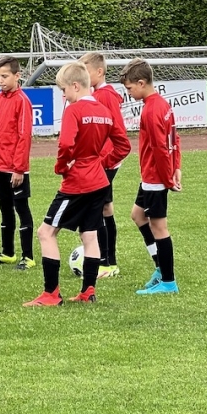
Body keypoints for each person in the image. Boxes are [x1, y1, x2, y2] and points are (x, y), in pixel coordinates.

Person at [24, 61, 130, 308]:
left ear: (75, 85)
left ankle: (51, 294)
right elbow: (123, 145)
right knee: (89, 235)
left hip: (78, 182)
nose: (63, 95)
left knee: (46, 232)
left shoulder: (74, 110)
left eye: (63, 90)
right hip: (100, 181)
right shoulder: (104, 110)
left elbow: (65, 144)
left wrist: (62, 166)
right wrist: (102, 163)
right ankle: (88, 292)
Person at [119, 58, 181, 295]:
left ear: (141, 83)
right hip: (151, 176)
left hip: (155, 178)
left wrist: (168, 179)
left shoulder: (151, 110)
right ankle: (160, 267)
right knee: (137, 215)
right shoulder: (162, 104)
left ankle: (168, 282)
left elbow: (160, 149)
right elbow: (174, 138)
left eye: (129, 88)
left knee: (159, 228)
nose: (129, 93)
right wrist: (176, 167)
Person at [0, 55, 35, 270]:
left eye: (4, 76)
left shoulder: (22, 101)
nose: (0, 80)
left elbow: (24, 136)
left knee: (21, 209)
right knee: (5, 209)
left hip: (15, 168)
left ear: (17, 76)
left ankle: (28, 257)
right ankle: (8, 253)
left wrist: (19, 169)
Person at [79, 52, 126, 278]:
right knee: (105, 208)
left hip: (105, 161)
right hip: (101, 161)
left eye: (85, 71)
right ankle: (107, 261)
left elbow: (118, 133)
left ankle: (106, 262)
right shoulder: (98, 94)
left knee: (98, 209)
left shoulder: (105, 96)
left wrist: (108, 161)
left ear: (99, 71)